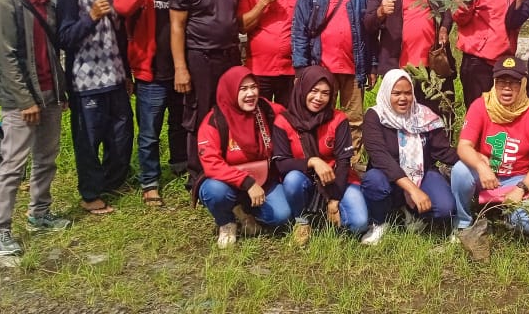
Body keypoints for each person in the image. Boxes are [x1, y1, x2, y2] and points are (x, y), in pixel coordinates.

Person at [0, 0, 71, 256]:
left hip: (49, 94)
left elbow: (53, 53)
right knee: (13, 165)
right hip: (21, 100)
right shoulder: (5, 4)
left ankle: (39, 213)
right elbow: (7, 58)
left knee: (46, 158)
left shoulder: (47, 4)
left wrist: (60, 92)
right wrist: (25, 101)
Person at [57, 0, 132, 215]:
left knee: (121, 135)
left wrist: (127, 73)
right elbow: (64, 38)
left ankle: (113, 182)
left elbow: (121, 37)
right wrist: (91, 17)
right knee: (88, 140)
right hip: (86, 82)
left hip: (116, 78)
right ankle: (90, 194)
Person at [114, 0, 185, 207]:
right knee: (149, 133)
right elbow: (123, 6)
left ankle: (180, 165)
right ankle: (150, 182)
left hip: (179, 70)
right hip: (150, 74)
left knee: (180, 124)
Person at [170, 0, 242, 188]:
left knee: (230, 110)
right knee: (200, 114)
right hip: (201, 57)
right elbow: (177, 26)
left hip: (229, 55)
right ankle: (198, 173)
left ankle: (226, 163)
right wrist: (181, 68)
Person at [451, 55, 529, 234]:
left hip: (518, 178)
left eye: (514, 82)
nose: (507, 87)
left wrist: (521, 188)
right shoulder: (480, 106)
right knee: (460, 170)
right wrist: (482, 167)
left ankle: (503, 217)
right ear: (494, 83)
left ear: (523, 85)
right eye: (501, 81)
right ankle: (463, 222)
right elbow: (463, 146)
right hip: (486, 174)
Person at [291, 0, 373, 152]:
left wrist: (372, 66)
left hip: (353, 70)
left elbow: (371, 33)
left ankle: (351, 162)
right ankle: (320, 159)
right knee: (318, 116)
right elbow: (299, 32)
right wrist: (300, 69)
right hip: (320, 69)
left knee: (354, 120)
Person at [195, 66, 291, 248]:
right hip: (227, 182)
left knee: (281, 215)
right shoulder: (214, 121)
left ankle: (246, 214)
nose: (250, 93)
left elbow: (294, 118)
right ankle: (226, 221)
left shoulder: (267, 109)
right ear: (230, 90)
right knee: (213, 192)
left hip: (265, 180)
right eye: (243, 89)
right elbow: (212, 163)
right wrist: (247, 182)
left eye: (253, 87)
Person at [359, 69, 458, 245]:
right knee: (374, 181)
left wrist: (474, 158)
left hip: (422, 173)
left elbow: (442, 151)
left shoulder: (423, 115)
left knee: (445, 208)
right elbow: (381, 158)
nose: (403, 98)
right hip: (387, 176)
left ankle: (413, 214)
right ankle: (379, 221)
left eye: (408, 93)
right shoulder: (375, 116)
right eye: (396, 93)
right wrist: (413, 190)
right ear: (386, 92)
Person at [365, 0, 454, 116]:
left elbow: (447, 9)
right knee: (401, 118)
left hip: (433, 64)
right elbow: (368, 24)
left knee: (438, 116)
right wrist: (381, 11)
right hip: (399, 66)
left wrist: (445, 28)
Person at [273, 65, 369, 237]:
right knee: (292, 179)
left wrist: (334, 199)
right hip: (304, 178)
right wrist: (312, 161)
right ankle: (302, 219)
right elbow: (281, 163)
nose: (319, 98)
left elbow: (343, 162)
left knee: (359, 224)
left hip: (336, 179)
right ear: (302, 89)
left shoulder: (338, 119)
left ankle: (327, 209)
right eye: (314, 91)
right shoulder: (283, 121)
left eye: (325, 93)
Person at [238, 0, 305, 107]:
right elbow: (242, 27)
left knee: (289, 116)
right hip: (259, 68)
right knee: (259, 115)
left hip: (290, 69)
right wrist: (263, 2)